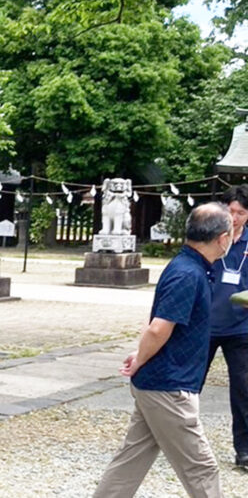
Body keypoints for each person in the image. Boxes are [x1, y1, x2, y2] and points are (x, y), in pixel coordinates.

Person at [93, 202, 232, 498]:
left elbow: (157, 324)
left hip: (159, 381)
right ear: (222, 238)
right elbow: (159, 327)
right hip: (169, 386)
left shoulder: (189, 267)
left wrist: (140, 355)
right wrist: (139, 359)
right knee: (202, 467)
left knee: (131, 460)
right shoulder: (188, 273)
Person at [207, 185, 248, 472]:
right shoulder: (209, 237)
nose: (234, 218)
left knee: (244, 390)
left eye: (241, 213)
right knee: (188, 385)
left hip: (241, 325)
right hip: (206, 323)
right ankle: (173, 440)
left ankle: (244, 450)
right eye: (230, 211)